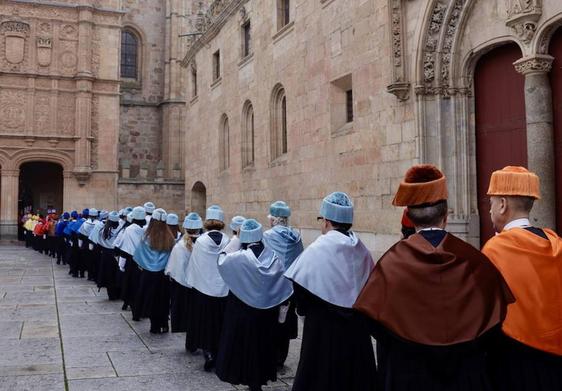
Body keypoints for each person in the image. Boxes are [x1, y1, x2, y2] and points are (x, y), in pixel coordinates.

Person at [354, 164, 514, 391]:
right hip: (465, 377)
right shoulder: (475, 261)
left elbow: (375, 324)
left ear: (409, 215)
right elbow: (494, 321)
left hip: (407, 377)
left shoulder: (391, 263)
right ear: (446, 215)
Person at [284, 192, 377, 391]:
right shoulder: (362, 249)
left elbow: (300, 289)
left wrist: (304, 311)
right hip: (356, 332)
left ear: (326, 221)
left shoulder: (317, 249)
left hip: (322, 331)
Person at [482, 166, 562, 391]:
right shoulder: (555, 243)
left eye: (491, 203)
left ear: (503, 204)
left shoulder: (495, 249)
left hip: (514, 360)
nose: (490, 211)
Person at [216, 219, 293, 391]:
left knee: (245, 347)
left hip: (242, 312)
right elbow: (284, 287)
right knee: (262, 346)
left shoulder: (237, 258)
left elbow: (221, 260)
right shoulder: (274, 258)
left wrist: (235, 240)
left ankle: (247, 377)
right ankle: (259, 378)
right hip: (266, 315)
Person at [185, 205, 230, 371]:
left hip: (203, 289)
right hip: (224, 290)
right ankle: (219, 352)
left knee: (205, 322)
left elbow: (195, 264)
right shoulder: (227, 240)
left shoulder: (202, 241)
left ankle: (208, 352)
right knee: (220, 322)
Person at [262, 200, 304, 367]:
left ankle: (271, 354)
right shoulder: (296, 237)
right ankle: (281, 355)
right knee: (286, 320)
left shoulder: (267, 236)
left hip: (273, 287)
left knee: (271, 321)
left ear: (273, 220)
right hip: (290, 288)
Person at [133, 208, 175, 333]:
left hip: (148, 273)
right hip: (163, 274)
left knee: (151, 299)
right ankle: (164, 322)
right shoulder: (170, 238)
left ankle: (154, 325)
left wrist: (143, 265)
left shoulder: (146, 236)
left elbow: (139, 254)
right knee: (163, 298)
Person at [165, 212, 203, 339]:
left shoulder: (180, 246)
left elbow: (174, 268)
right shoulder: (204, 245)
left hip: (183, 287)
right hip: (200, 287)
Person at [114, 206, 146, 314]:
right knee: (140, 285)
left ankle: (128, 303)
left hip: (130, 261)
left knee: (129, 283)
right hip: (142, 261)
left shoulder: (129, 229)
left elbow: (124, 247)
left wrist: (121, 265)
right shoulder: (145, 229)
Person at [96, 211, 122, 300]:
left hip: (106, 255)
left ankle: (111, 294)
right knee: (116, 274)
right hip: (116, 255)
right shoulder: (121, 231)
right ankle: (118, 293)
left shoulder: (103, 230)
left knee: (108, 275)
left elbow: (99, 243)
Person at [78, 208, 98, 280]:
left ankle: (82, 273)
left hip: (85, 244)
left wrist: (80, 245)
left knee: (83, 259)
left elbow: (80, 235)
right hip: (95, 244)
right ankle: (91, 276)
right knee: (93, 261)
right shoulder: (98, 224)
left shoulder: (85, 223)